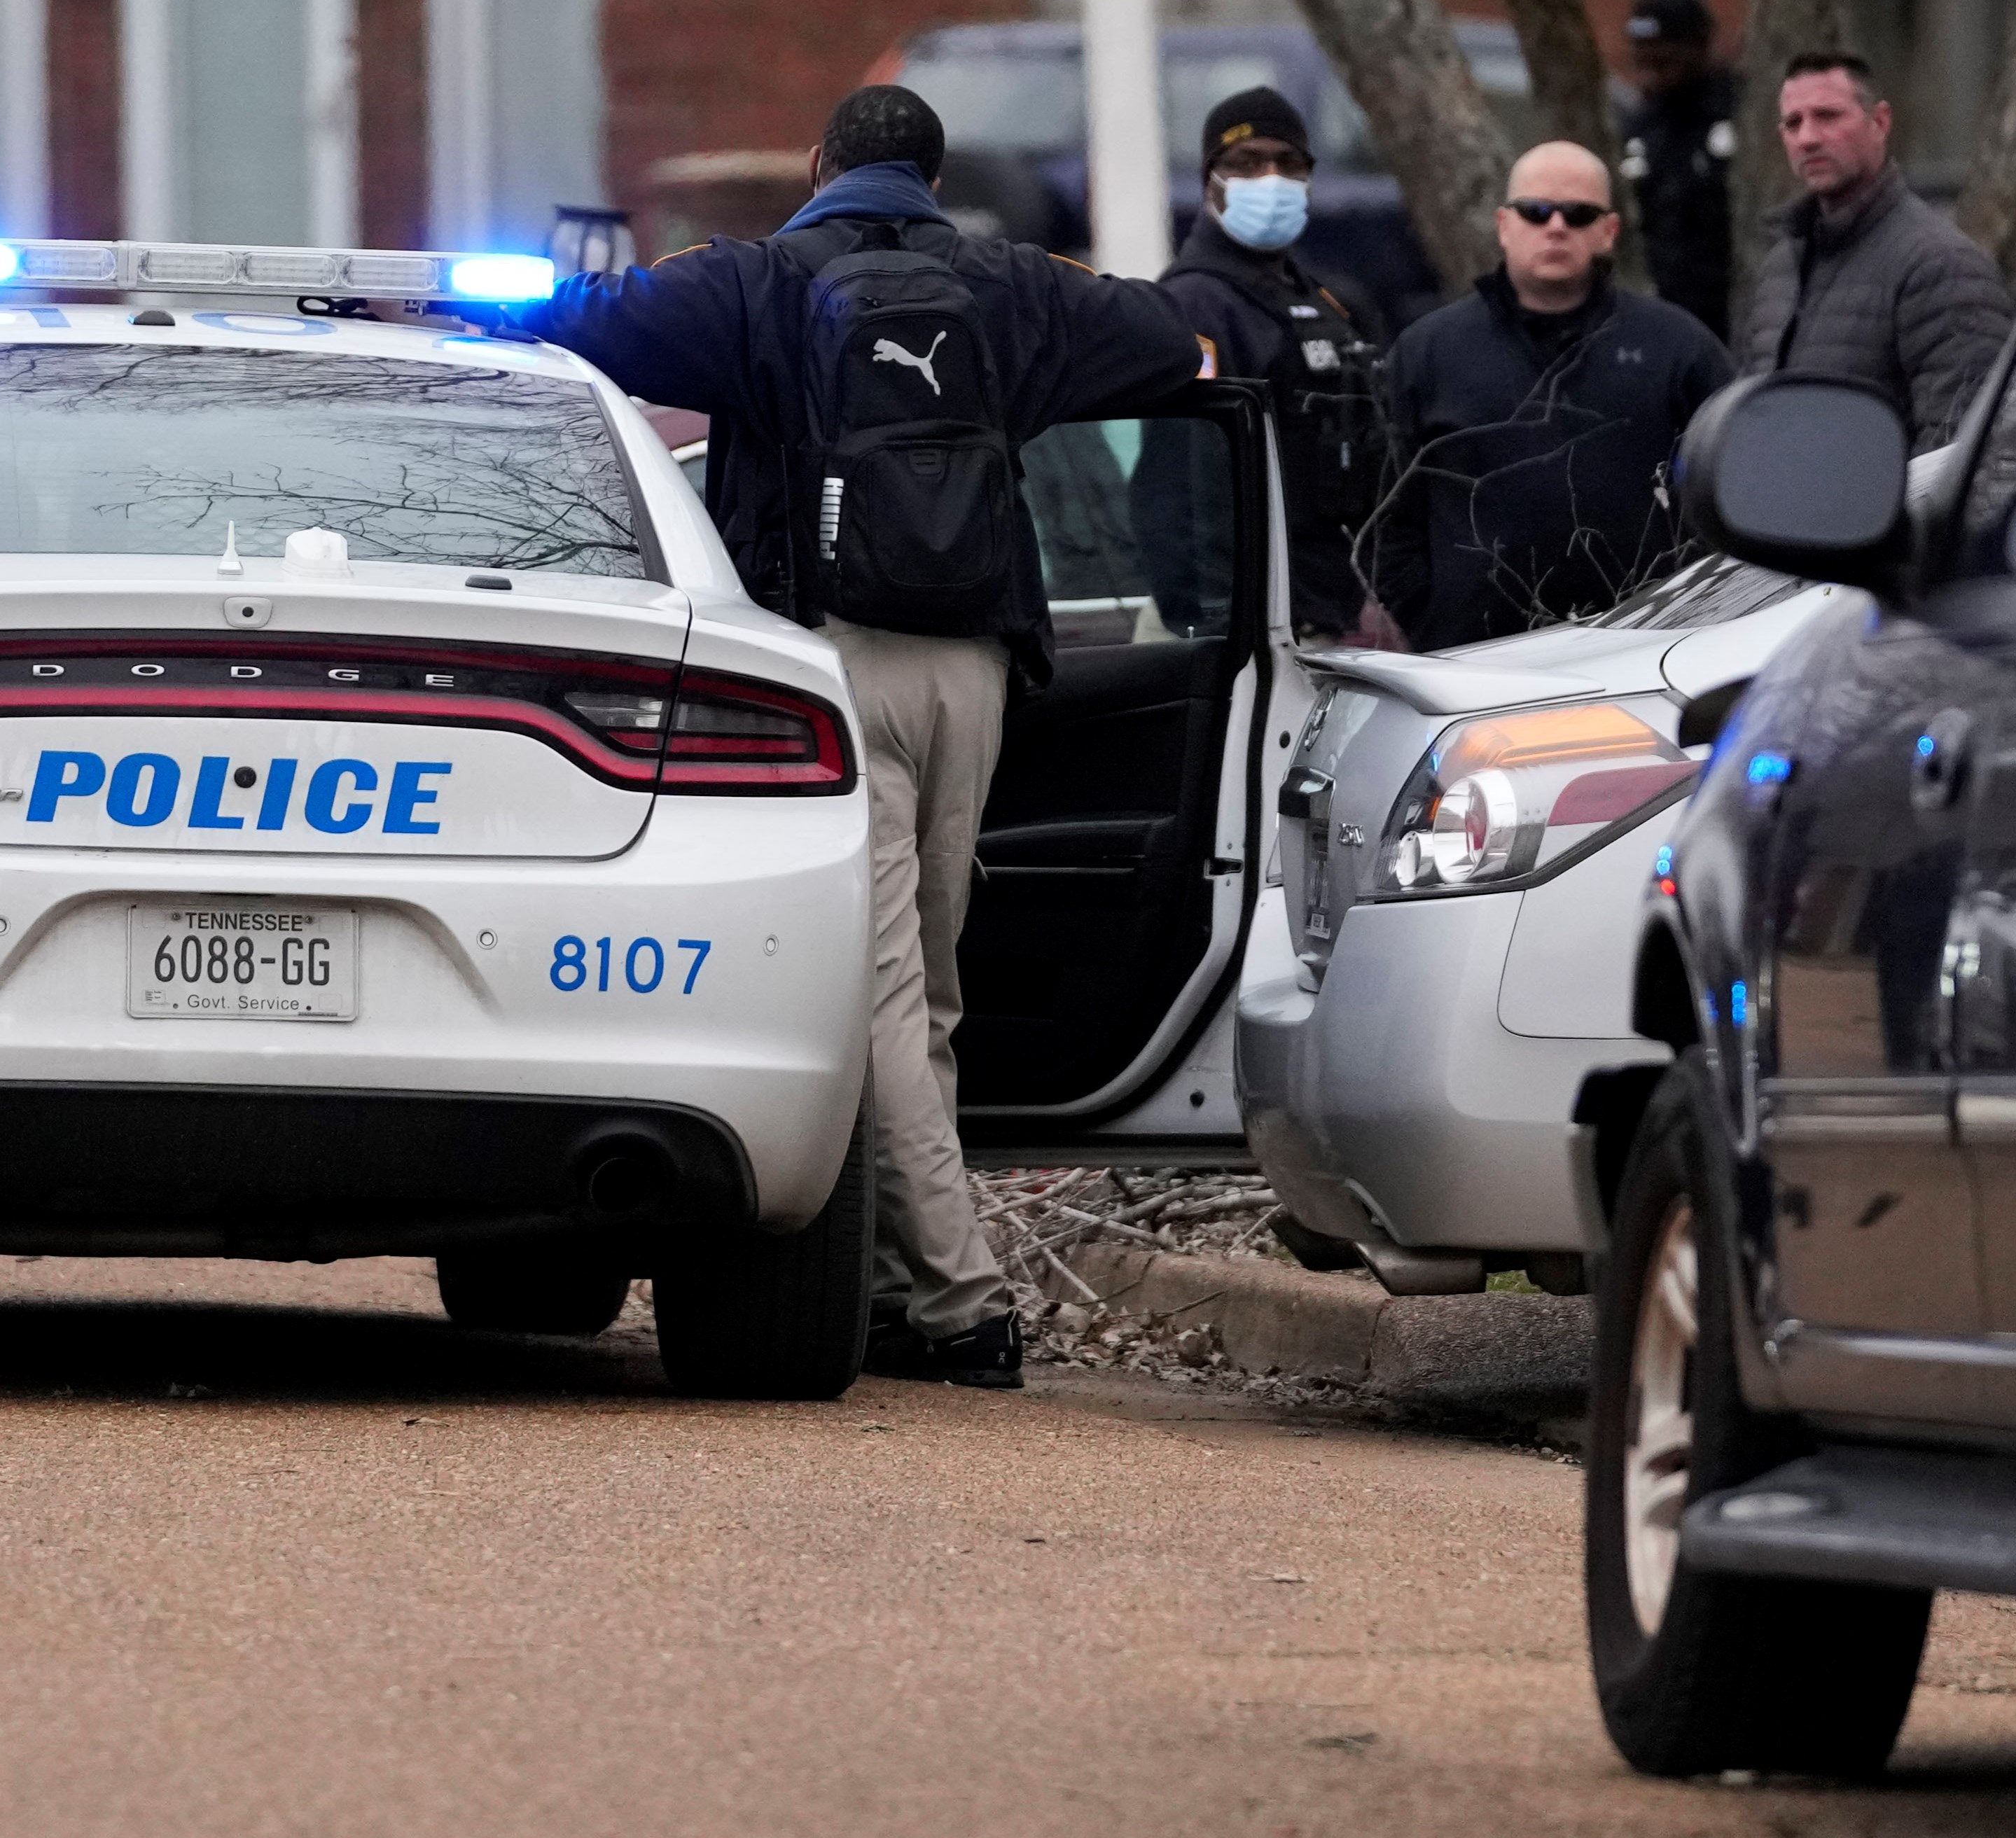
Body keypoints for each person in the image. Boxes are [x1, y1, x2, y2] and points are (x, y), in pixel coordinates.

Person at [529, 85, 1202, 1388]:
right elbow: (1171, 346)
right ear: (933, 179)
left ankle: (959, 1301)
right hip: (979, 671)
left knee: (881, 989)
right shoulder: (1012, 287)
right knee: (926, 988)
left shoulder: (756, 282)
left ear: (823, 163)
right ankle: (898, 1285)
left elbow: (577, 329)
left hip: (824, 670)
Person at [1374, 143, 1734, 650]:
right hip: (1471, 667)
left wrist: (1694, 622)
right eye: (1536, 212)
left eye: (1579, 214)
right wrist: (1433, 619)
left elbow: (1736, 494)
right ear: (1504, 224)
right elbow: (1384, 511)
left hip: (1644, 658)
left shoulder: (1677, 347)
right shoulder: (1427, 353)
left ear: (1609, 232)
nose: (1556, 226)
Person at [1156, 86, 1383, 641]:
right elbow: (1188, 488)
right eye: (1247, 163)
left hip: (1336, 611)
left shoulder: (1325, 301)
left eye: (1288, 163)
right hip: (1259, 627)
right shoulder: (1194, 305)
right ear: (1211, 177)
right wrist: (1218, 620)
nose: (1271, 179)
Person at [1738, 50, 2014, 452]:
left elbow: (1957, 456)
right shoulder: (1781, 267)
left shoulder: (1942, 266)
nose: (1808, 138)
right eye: (1793, 123)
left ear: (1880, 122)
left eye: (1828, 116)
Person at [1615, 0, 1739, 339]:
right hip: (1651, 315)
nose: (1650, 74)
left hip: (1723, 319)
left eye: (1663, 61)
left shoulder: (1737, 116)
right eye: (1641, 60)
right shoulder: (1636, 128)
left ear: (1698, 47)